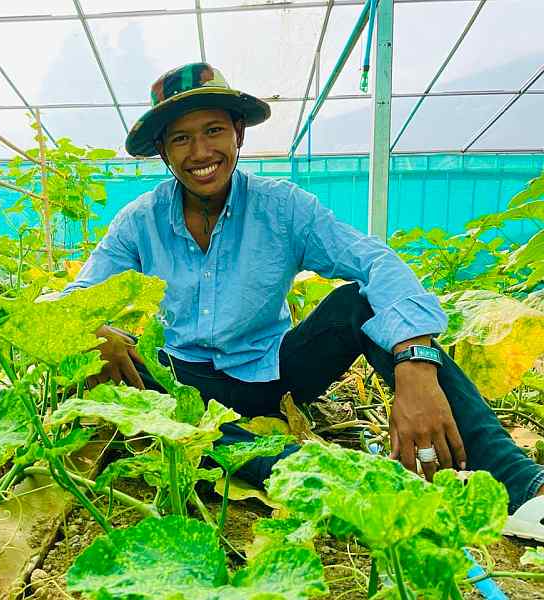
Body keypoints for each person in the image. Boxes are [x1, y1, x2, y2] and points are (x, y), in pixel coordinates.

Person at [62, 62, 544, 531]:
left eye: (212, 130)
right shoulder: (138, 222)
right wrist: (92, 329)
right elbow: (73, 299)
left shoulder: (283, 206)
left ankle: (523, 488)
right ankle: (327, 479)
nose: (199, 151)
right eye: (180, 138)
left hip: (272, 376)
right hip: (183, 383)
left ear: (238, 135)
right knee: (137, 374)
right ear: (164, 153)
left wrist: (415, 363)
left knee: (360, 300)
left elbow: (374, 262)